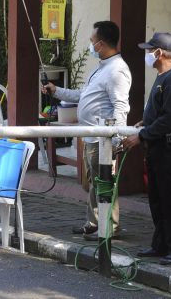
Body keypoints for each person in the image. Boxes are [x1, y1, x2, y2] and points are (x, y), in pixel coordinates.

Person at [42, 21, 131, 240]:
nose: (90, 46)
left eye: (92, 41)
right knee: (94, 181)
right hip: (91, 137)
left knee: (104, 182)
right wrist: (57, 91)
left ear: (101, 44)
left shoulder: (117, 70)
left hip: (104, 138)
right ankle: (94, 222)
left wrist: (116, 139)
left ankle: (109, 227)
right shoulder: (101, 68)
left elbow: (121, 106)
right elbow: (84, 95)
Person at [122, 32, 171, 265]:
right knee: (157, 199)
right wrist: (145, 123)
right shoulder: (163, 77)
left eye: (150, 51)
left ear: (159, 53)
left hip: (169, 148)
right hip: (157, 148)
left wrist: (142, 135)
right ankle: (160, 245)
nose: (148, 55)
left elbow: (170, 118)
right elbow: (160, 112)